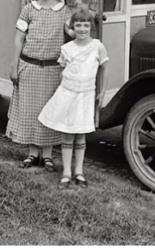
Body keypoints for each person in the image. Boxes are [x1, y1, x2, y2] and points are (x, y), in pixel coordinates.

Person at [7, 0, 73, 172]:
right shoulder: (29, 9)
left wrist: (84, 26)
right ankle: (32, 154)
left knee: (49, 112)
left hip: (53, 70)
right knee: (30, 112)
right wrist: (14, 64)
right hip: (30, 67)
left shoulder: (64, 10)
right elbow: (19, 38)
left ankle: (47, 156)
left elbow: (71, 32)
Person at [38, 10, 109, 187]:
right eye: (78, 25)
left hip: (85, 96)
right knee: (67, 134)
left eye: (86, 25)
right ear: (73, 27)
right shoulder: (67, 48)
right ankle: (67, 172)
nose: (82, 29)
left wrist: (103, 91)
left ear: (91, 26)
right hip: (68, 93)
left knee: (81, 135)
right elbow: (63, 68)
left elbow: (105, 67)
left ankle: (79, 171)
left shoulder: (97, 47)